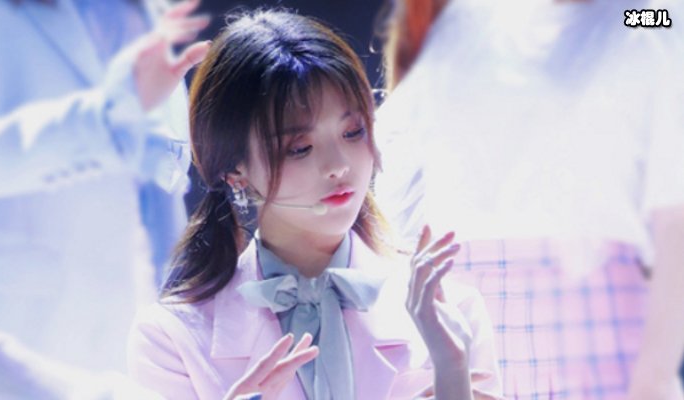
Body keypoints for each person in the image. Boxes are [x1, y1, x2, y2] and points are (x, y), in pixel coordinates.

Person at [127, 9, 503, 400]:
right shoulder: (170, 338)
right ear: (235, 170)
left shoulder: (452, 315)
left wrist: (452, 376)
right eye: (300, 148)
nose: (339, 165)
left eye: (353, 132)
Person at [374, 0, 684, 399]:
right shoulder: (446, 28)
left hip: (596, 331)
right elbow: (396, 219)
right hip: (463, 333)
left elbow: (671, 217)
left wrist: (655, 373)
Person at [0, 0, 210, 393]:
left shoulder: (151, 19)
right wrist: (104, 120)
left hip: (135, 354)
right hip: (28, 347)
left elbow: (162, 196)